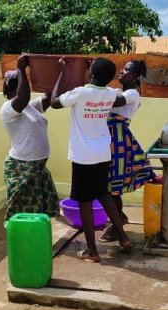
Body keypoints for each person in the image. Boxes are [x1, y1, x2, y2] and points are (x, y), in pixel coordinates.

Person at [51, 57, 132, 263]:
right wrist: (91, 70)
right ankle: (123, 238)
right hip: (102, 152)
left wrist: (62, 73)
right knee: (103, 194)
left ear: (92, 74)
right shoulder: (111, 94)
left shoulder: (80, 94)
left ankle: (92, 251)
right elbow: (103, 89)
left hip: (83, 155)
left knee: (84, 201)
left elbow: (54, 102)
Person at [100, 60, 155, 242]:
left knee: (113, 189)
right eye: (122, 68)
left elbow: (115, 101)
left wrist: (96, 88)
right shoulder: (118, 91)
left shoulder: (132, 94)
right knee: (108, 186)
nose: (121, 72)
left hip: (119, 144)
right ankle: (120, 218)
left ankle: (118, 225)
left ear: (136, 77)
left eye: (127, 70)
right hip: (110, 142)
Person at [0, 55, 59, 223]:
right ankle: (22, 241)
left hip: (37, 168)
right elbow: (23, 97)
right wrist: (20, 68)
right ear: (12, 90)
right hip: (21, 167)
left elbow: (49, 97)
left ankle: (33, 239)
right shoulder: (8, 109)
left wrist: (53, 73)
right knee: (23, 212)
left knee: (37, 211)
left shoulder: (29, 107)